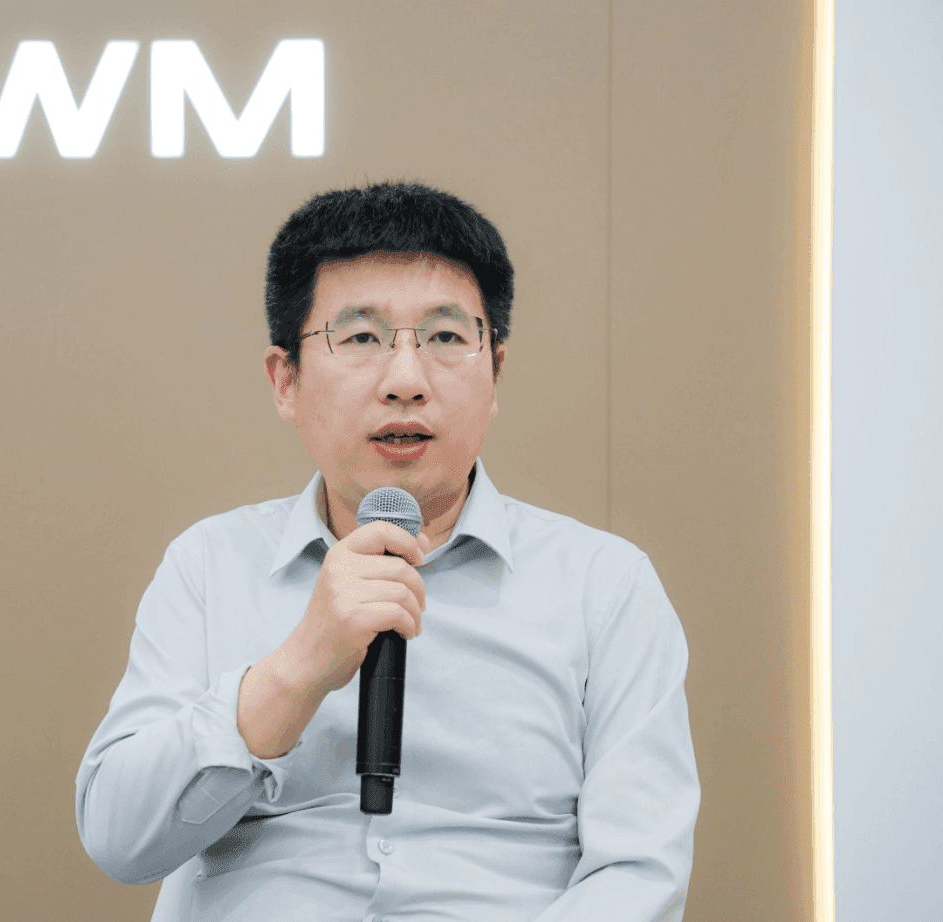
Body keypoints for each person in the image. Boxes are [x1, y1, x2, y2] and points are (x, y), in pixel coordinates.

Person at [75, 182, 699, 922]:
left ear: (495, 373)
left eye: (445, 338)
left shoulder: (605, 586)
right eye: (361, 338)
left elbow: (638, 877)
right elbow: (119, 841)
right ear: (285, 381)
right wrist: (296, 670)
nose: (406, 382)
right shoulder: (209, 566)